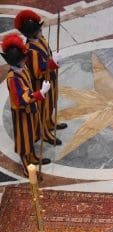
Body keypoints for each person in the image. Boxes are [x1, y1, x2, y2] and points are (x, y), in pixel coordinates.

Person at [1, 34, 51, 177]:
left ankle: (33, 157)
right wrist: (40, 93)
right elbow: (21, 100)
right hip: (22, 114)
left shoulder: (23, 69)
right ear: (17, 62)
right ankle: (26, 167)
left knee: (31, 136)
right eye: (23, 59)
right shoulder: (12, 79)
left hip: (30, 111)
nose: (25, 60)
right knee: (24, 142)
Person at [15, 9, 65, 146]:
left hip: (51, 78)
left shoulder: (41, 39)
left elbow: (47, 54)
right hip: (41, 83)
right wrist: (52, 63)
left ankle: (50, 123)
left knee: (52, 103)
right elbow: (37, 72)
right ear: (33, 33)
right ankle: (45, 133)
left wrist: (52, 60)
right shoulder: (30, 50)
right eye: (39, 29)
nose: (41, 30)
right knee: (44, 108)